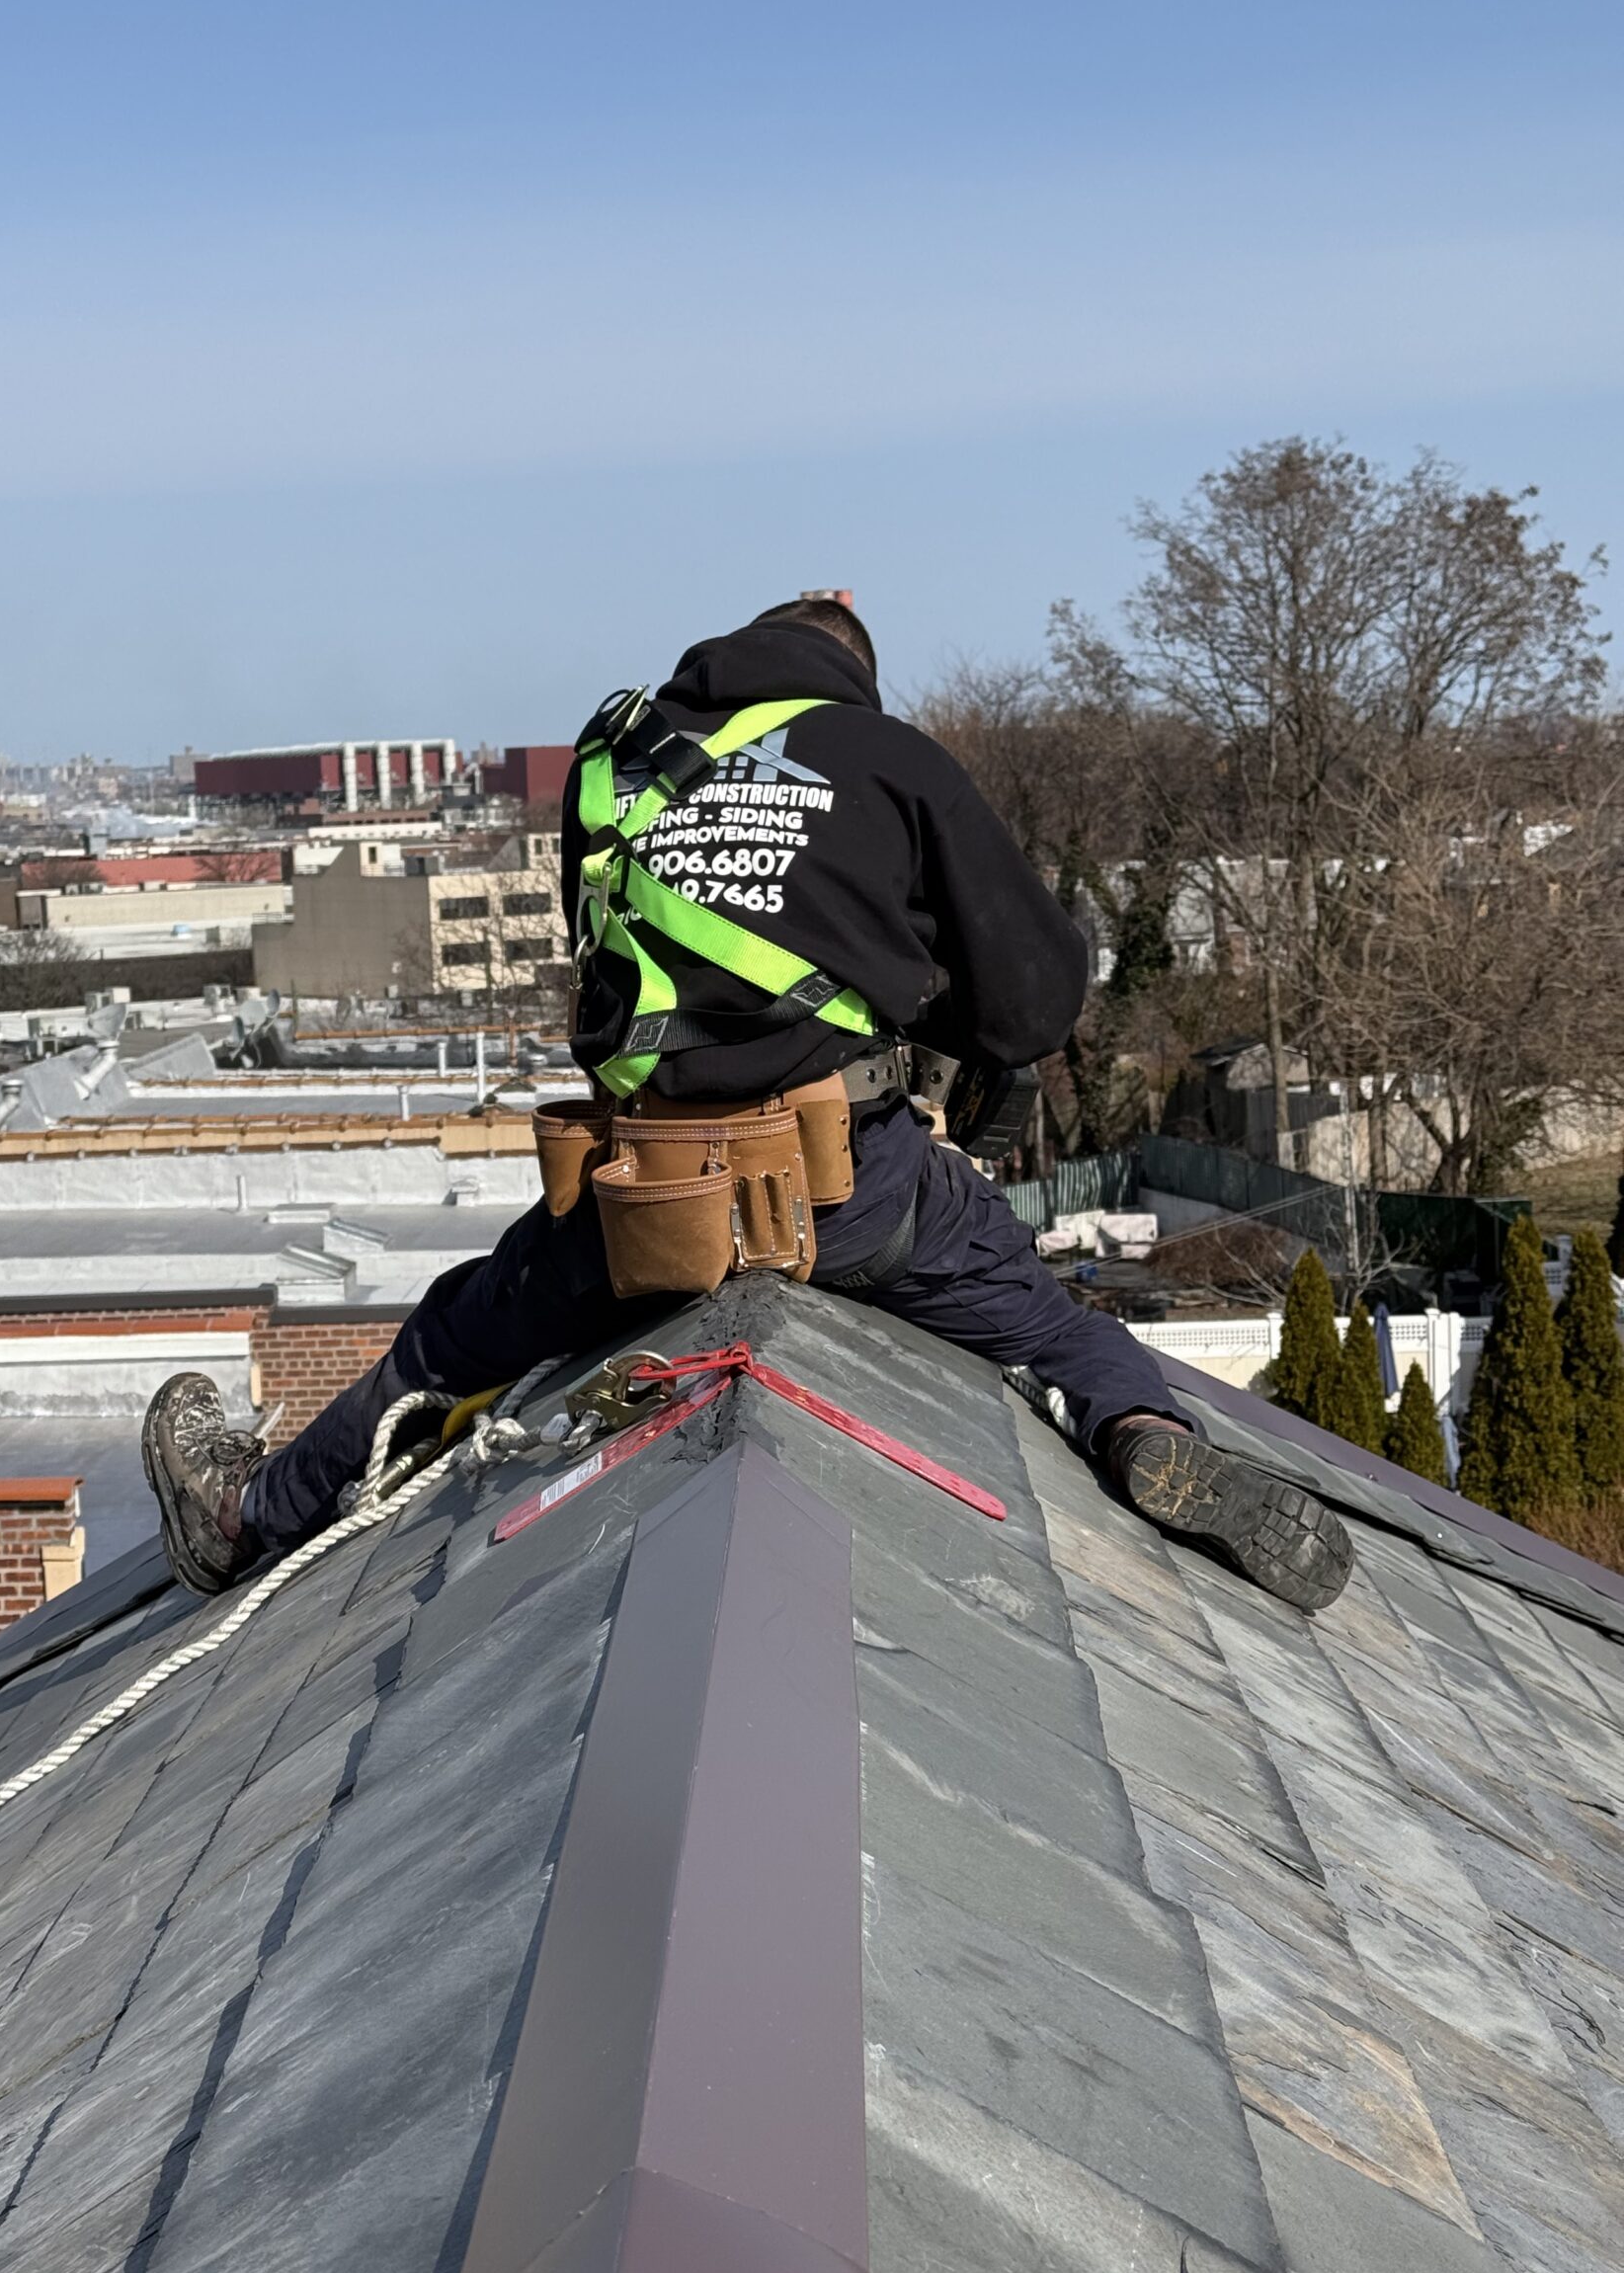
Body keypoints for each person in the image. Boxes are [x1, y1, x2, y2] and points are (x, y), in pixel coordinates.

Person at [143, 599, 1351, 1612]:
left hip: (641, 1203)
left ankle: (250, 1512)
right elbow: (1031, 1004)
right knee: (1057, 1331)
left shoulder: (615, 757)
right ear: (851, 681)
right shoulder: (888, 761)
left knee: (444, 1340)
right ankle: (1146, 1439)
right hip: (852, 1186)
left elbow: (625, 965)